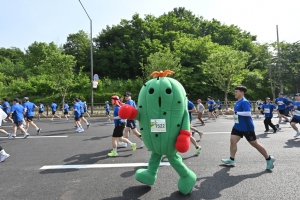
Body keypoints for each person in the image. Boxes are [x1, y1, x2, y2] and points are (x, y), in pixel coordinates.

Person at [222, 86, 275, 170]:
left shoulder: (244, 102)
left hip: (247, 127)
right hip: (237, 126)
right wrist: (231, 111)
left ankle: (269, 159)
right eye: (235, 92)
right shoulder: (238, 102)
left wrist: (235, 112)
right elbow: (238, 112)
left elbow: (248, 113)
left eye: (237, 92)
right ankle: (232, 159)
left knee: (254, 144)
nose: (235, 93)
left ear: (242, 93)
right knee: (232, 141)